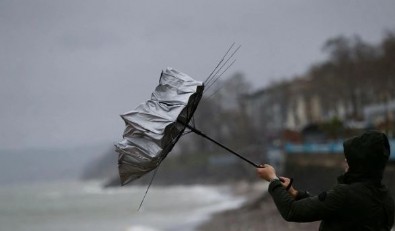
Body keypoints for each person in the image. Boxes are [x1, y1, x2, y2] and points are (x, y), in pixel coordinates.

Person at [257, 131, 394, 230]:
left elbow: (291, 211)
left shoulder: (345, 194)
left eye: (351, 157)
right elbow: (332, 207)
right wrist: (296, 194)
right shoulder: (386, 198)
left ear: (361, 162)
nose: (345, 160)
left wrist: (273, 179)